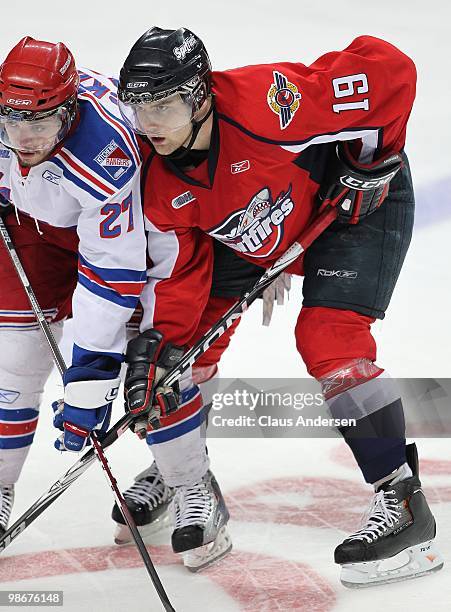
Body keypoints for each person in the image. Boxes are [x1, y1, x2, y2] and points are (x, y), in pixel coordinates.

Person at [114, 26, 445, 584]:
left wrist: (372, 160)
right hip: (255, 230)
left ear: (200, 96)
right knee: (180, 349)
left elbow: (390, 70)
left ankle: (403, 502)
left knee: (328, 339)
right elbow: (184, 273)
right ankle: (182, 468)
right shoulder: (155, 175)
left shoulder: (269, 106)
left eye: (165, 105)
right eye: (140, 107)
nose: (150, 125)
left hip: (352, 213)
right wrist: (166, 346)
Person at [0, 37, 147, 536]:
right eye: (12, 121)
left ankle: (180, 477)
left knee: (149, 363)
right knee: (13, 359)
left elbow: (110, 270)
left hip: (129, 233)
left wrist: (90, 368)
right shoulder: (10, 120)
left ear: (69, 112)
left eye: (39, 122)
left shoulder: (105, 153)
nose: (24, 137)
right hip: (26, 226)